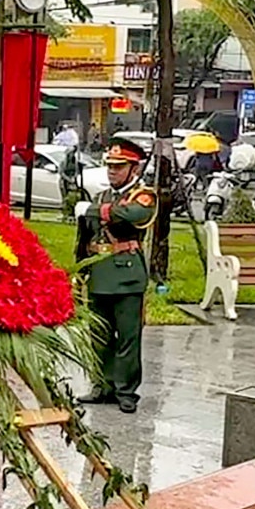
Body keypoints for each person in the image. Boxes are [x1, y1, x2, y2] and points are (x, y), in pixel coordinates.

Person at [74, 136, 158, 413]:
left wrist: (94, 210)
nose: (112, 171)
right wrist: (80, 269)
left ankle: (126, 390)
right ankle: (102, 385)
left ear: (134, 169)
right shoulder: (101, 197)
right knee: (99, 334)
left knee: (128, 337)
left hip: (127, 275)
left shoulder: (144, 195)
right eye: (110, 166)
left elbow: (130, 216)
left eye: (119, 166)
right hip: (99, 273)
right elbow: (85, 238)